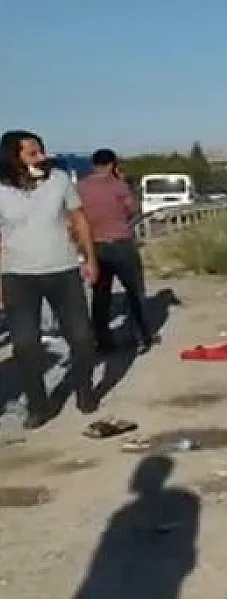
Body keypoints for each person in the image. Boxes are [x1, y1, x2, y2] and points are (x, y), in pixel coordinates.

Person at [0, 130, 100, 427]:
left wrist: (90, 257)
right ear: (13, 156)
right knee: (25, 344)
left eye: (41, 151)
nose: (41, 158)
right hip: (17, 275)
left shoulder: (58, 180)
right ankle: (38, 405)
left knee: (82, 337)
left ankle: (85, 390)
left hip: (64, 269)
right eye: (32, 153)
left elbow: (79, 219)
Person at [78, 148, 156, 354]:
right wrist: (125, 185)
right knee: (134, 291)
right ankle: (141, 336)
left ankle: (103, 340)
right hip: (120, 244)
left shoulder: (80, 187)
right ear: (113, 164)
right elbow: (133, 209)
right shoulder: (118, 185)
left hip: (94, 246)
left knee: (101, 295)